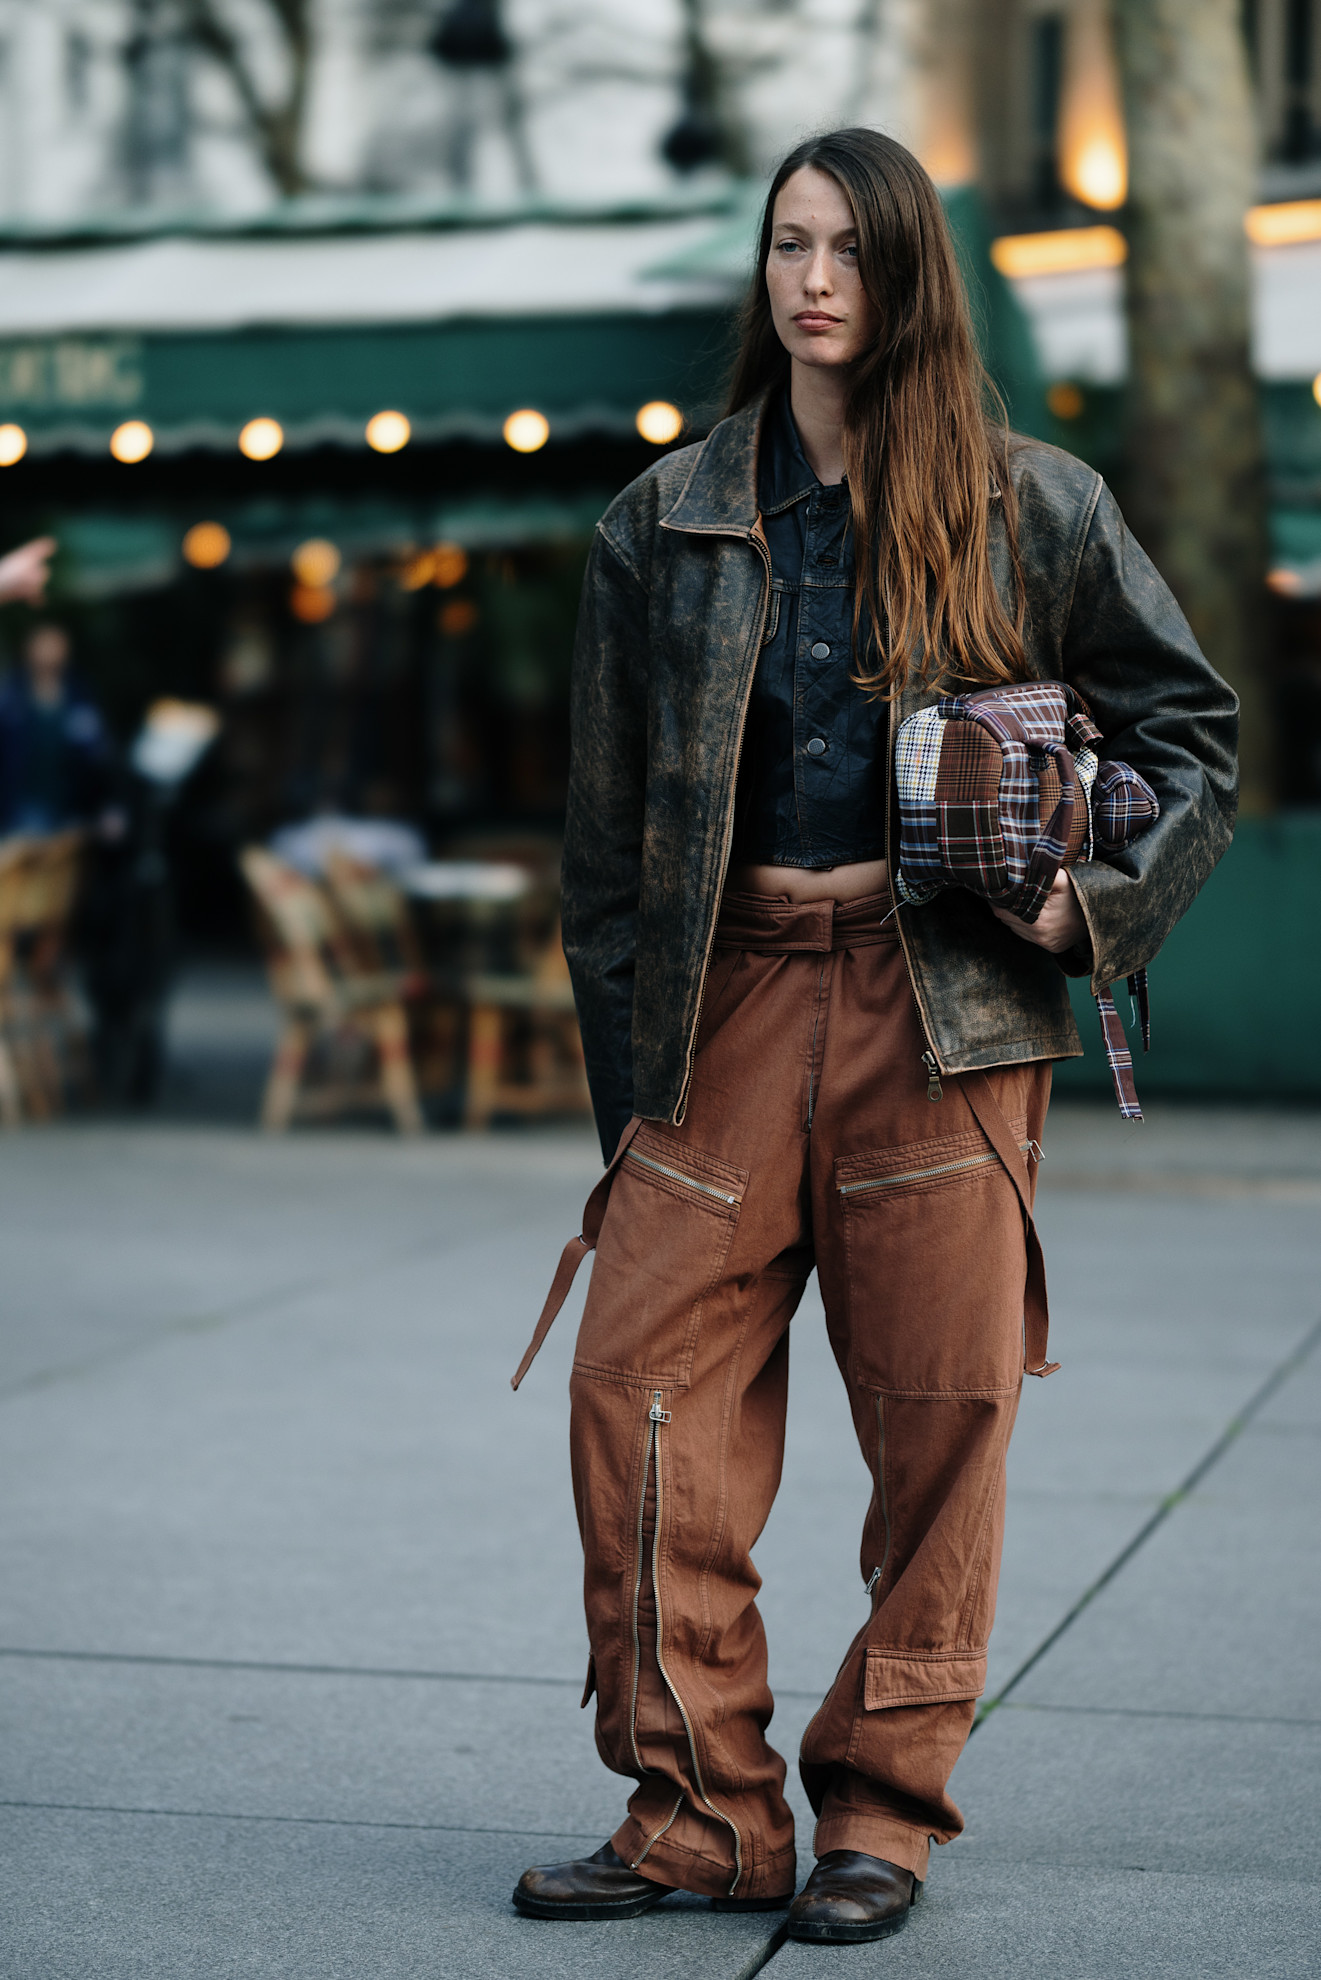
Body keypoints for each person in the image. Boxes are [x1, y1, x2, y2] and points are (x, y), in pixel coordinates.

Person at [512, 129, 1237, 1945]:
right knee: (636, 1391)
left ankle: (881, 1811)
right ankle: (697, 1805)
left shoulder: (1036, 506)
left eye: (847, 247)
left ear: (910, 275)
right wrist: (630, 1095)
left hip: (946, 1007)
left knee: (941, 1420)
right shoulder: (659, 523)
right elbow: (605, 854)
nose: (812, 276)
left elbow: (1195, 738)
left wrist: (1097, 909)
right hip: (729, 996)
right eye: (786, 244)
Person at [0, 621, 117, 837]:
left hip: (70, 805)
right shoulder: (10, 696)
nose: (50, 652)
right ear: (29, 649)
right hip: (20, 805)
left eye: (57, 645)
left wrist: (105, 802)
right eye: (44, 644)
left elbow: (98, 751)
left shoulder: (80, 695)